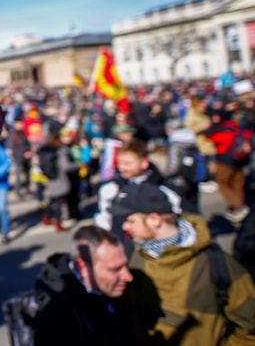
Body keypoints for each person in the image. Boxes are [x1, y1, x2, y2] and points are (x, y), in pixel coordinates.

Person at [112, 182, 255, 345]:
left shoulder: (217, 264)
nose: (124, 226)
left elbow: (249, 328)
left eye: (130, 220)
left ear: (154, 220)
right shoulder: (132, 256)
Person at [32, 225, 142, 346]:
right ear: (82, 267)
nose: (128, 277)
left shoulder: (115, 290)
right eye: (115, 269)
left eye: (125, 266)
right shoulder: (56, 316)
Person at [94, 138, 183, 249]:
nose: (122, 167)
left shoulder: (164, 189)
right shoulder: (110, 189)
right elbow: (103, 218)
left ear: (144, 163)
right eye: (119, 163)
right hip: (123, 245)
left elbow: (177, 217)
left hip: (159, 246)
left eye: (127, 163)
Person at [36, 133, 71, 231]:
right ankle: (58, 222)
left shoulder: (43, 151)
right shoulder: (58, 151)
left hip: (49, 178)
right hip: (58, 178)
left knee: (52, 200)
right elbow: (65, 166)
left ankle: (46, 218)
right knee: (58, 202)